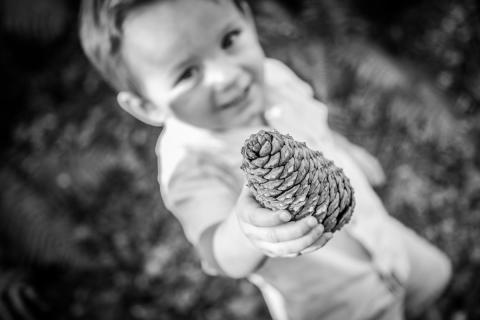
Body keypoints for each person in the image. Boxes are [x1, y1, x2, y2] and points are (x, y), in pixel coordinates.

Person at [79, 0, 452, 319]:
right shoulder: (190, 166)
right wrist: (245, 229)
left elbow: (315, 128)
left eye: (229, 40)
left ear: (247, 18)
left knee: (434, 279)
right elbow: (216, 254)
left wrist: (349, 152)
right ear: (145, 106)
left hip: (378, 232)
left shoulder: (274, 78)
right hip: (338, 301)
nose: (227, 75)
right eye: (187, 73)